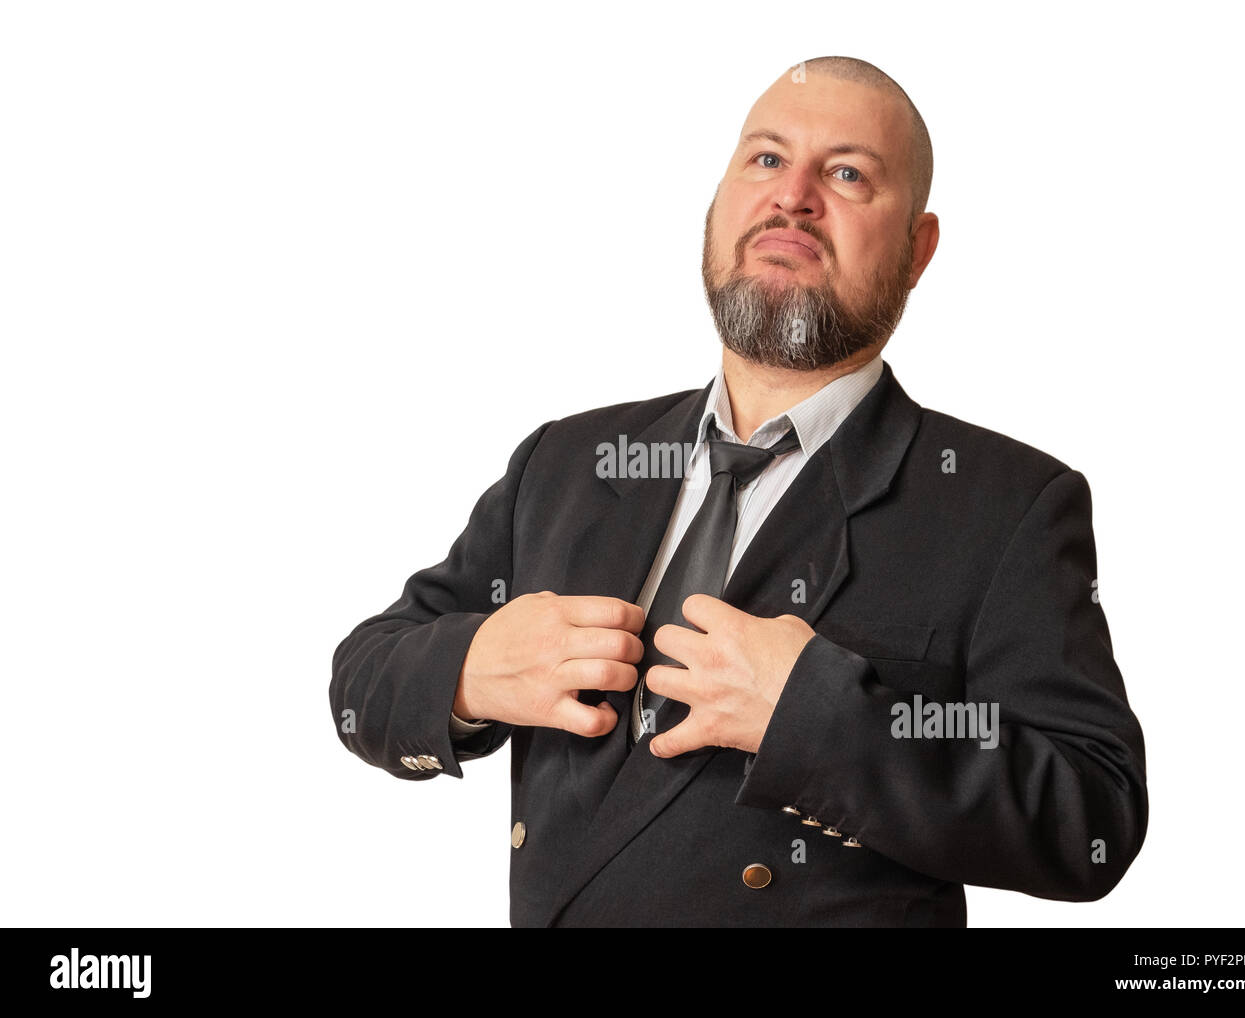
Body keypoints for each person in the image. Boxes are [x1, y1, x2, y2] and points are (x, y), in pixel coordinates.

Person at [329, 55, 1148, 927]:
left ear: (917, 250)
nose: (792, 196)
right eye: (765, 160)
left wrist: (820, 721)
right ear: (718, 208)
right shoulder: (569, 460)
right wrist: (466, 671)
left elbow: (1093, 817)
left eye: (846, 173)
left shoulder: (1007, 505)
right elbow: (362, 680)